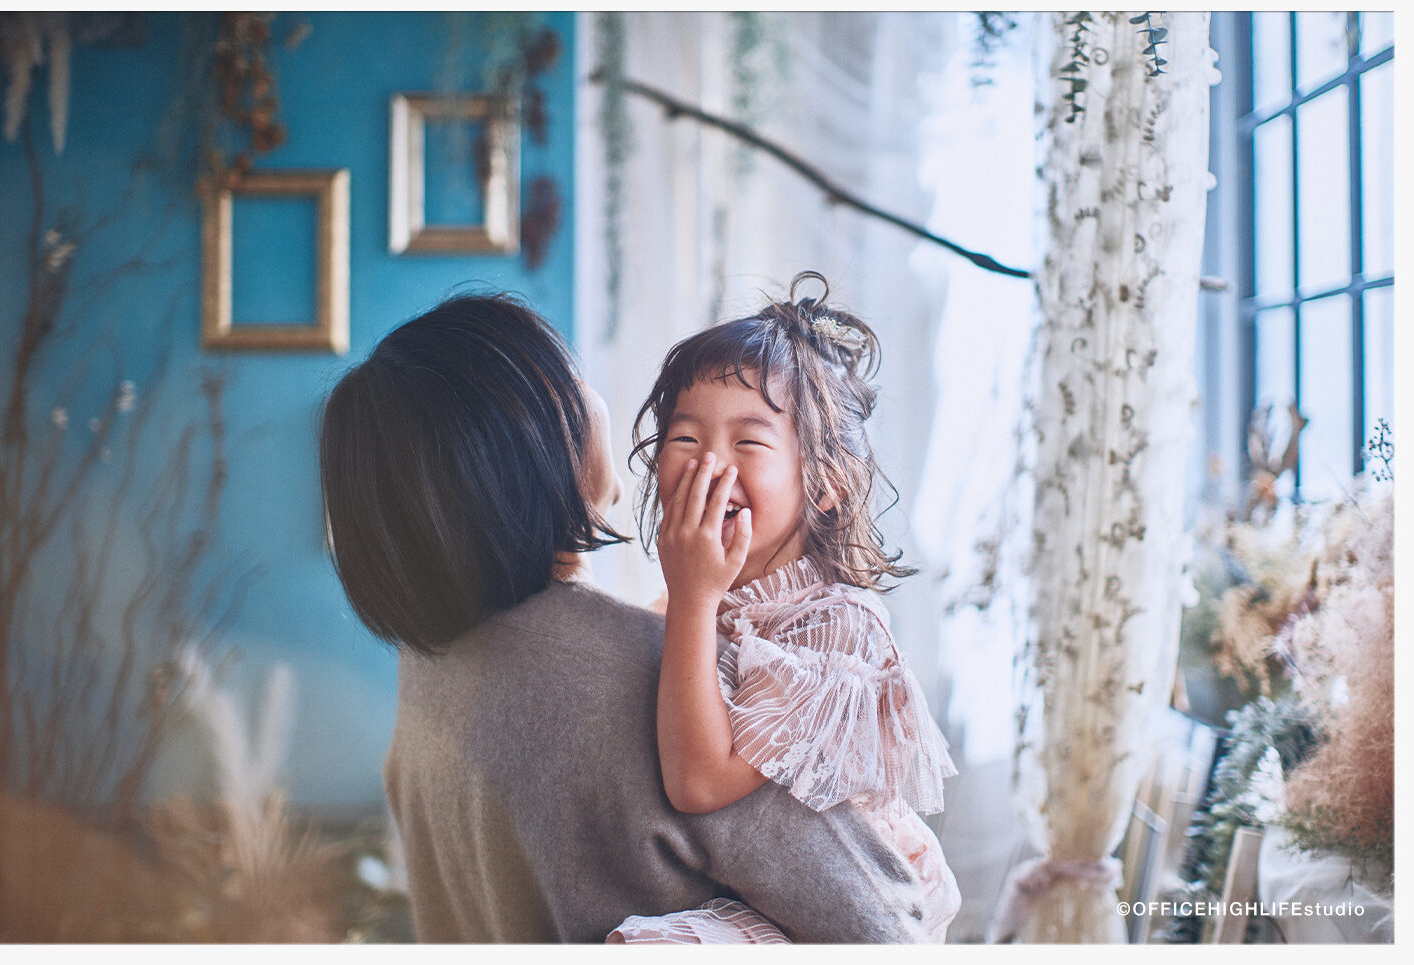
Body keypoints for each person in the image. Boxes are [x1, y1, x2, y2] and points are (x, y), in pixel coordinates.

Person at [318, 291, 936, 943]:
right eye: (568, 377)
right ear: (526, 437)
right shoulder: (653, 674)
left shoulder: (432, 669)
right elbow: (886, 923)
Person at [608, 272, 961, 943]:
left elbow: (699, 783)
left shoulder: (838, 625)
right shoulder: (704, 605)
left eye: (747, 442)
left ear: (826, 483)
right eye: (685, 438)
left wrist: (691, 598)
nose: (710, 465)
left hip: (849, 904)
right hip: (757, 886)